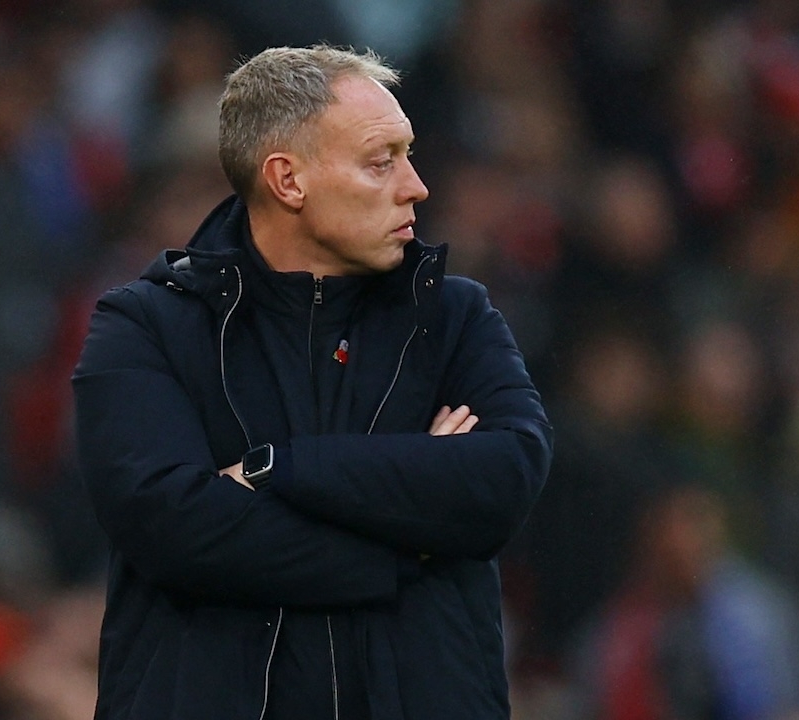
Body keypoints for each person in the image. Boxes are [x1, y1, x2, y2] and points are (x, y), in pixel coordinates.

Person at [71, 44, 553, 720]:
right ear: (288, 180)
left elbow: (507, 477)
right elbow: (174, 531)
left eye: (408, 155)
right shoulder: (145, 325)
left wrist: (278, 469)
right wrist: (412, 541)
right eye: (381, 161)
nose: (416, 186)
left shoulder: (453, 316)